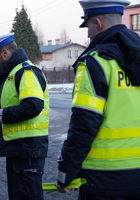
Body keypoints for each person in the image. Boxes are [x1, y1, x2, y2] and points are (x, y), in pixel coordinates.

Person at [56, 0, 140, 199]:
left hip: (103, 176)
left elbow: (84, 124)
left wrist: (66, 172)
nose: (87, 34)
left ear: (98, 24)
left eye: (88, 26)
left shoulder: (96, 61)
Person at [0, 33, 50, 200]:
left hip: (28, 148)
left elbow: (33, 106)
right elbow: (8, 107)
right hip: (19, 148)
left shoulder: (25, 72)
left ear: (5, 53)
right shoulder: (13, 74)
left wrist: (1, 114)